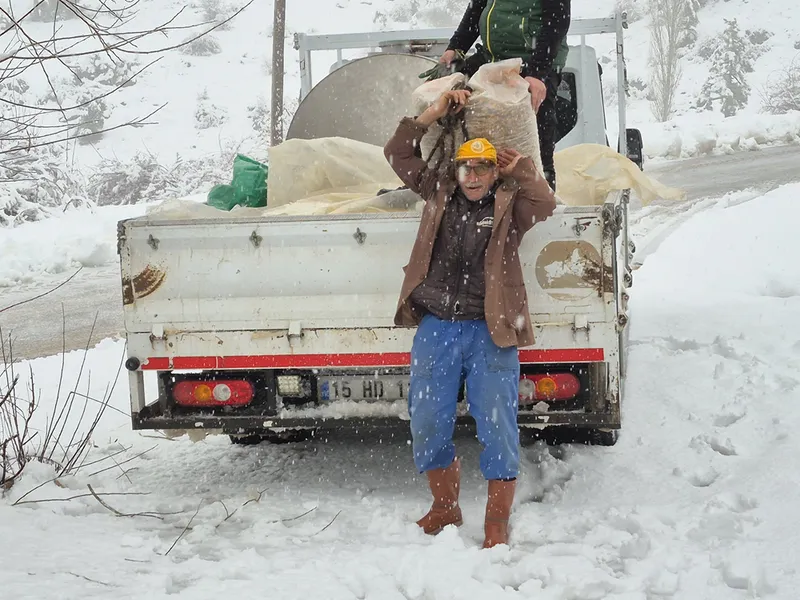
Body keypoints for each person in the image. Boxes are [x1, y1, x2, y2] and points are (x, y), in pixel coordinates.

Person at [384, 89, 556, 548]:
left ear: (492, 171)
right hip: (437, 325)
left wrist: (520, 169)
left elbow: (546, 203)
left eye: (482, 167)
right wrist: (434, 113)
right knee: (426, 418)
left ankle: (496, 519)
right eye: (467, 167)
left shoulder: (510, 206)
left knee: (497, 422)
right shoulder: (437, 192)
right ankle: (445, 506)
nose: (474, 175)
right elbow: (397, 152)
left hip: (489, 328)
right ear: (456, 171)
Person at [439, 0, 571, 191]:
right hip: (492, 58)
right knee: (443, 96)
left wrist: (537, 73)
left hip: (533, 61)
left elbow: (557, 20)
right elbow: (476, 9)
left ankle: (544, 191)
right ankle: (433, 179)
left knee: (538, 124)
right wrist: (456, 47)